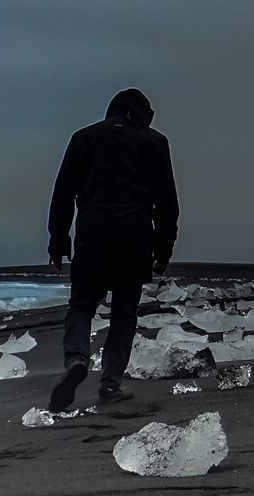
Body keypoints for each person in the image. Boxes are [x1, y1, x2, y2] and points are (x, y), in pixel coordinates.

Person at [46, 88, 179, 410]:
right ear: (141, 113)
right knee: (124, 313)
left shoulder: (84, 138)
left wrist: (59, 239)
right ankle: (110, 384)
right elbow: (167, 200)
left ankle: (77, 358)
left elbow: (62, 192)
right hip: (134, 235)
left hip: (93, 232)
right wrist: (164, 246)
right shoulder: (155, 142)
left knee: (81, 306)